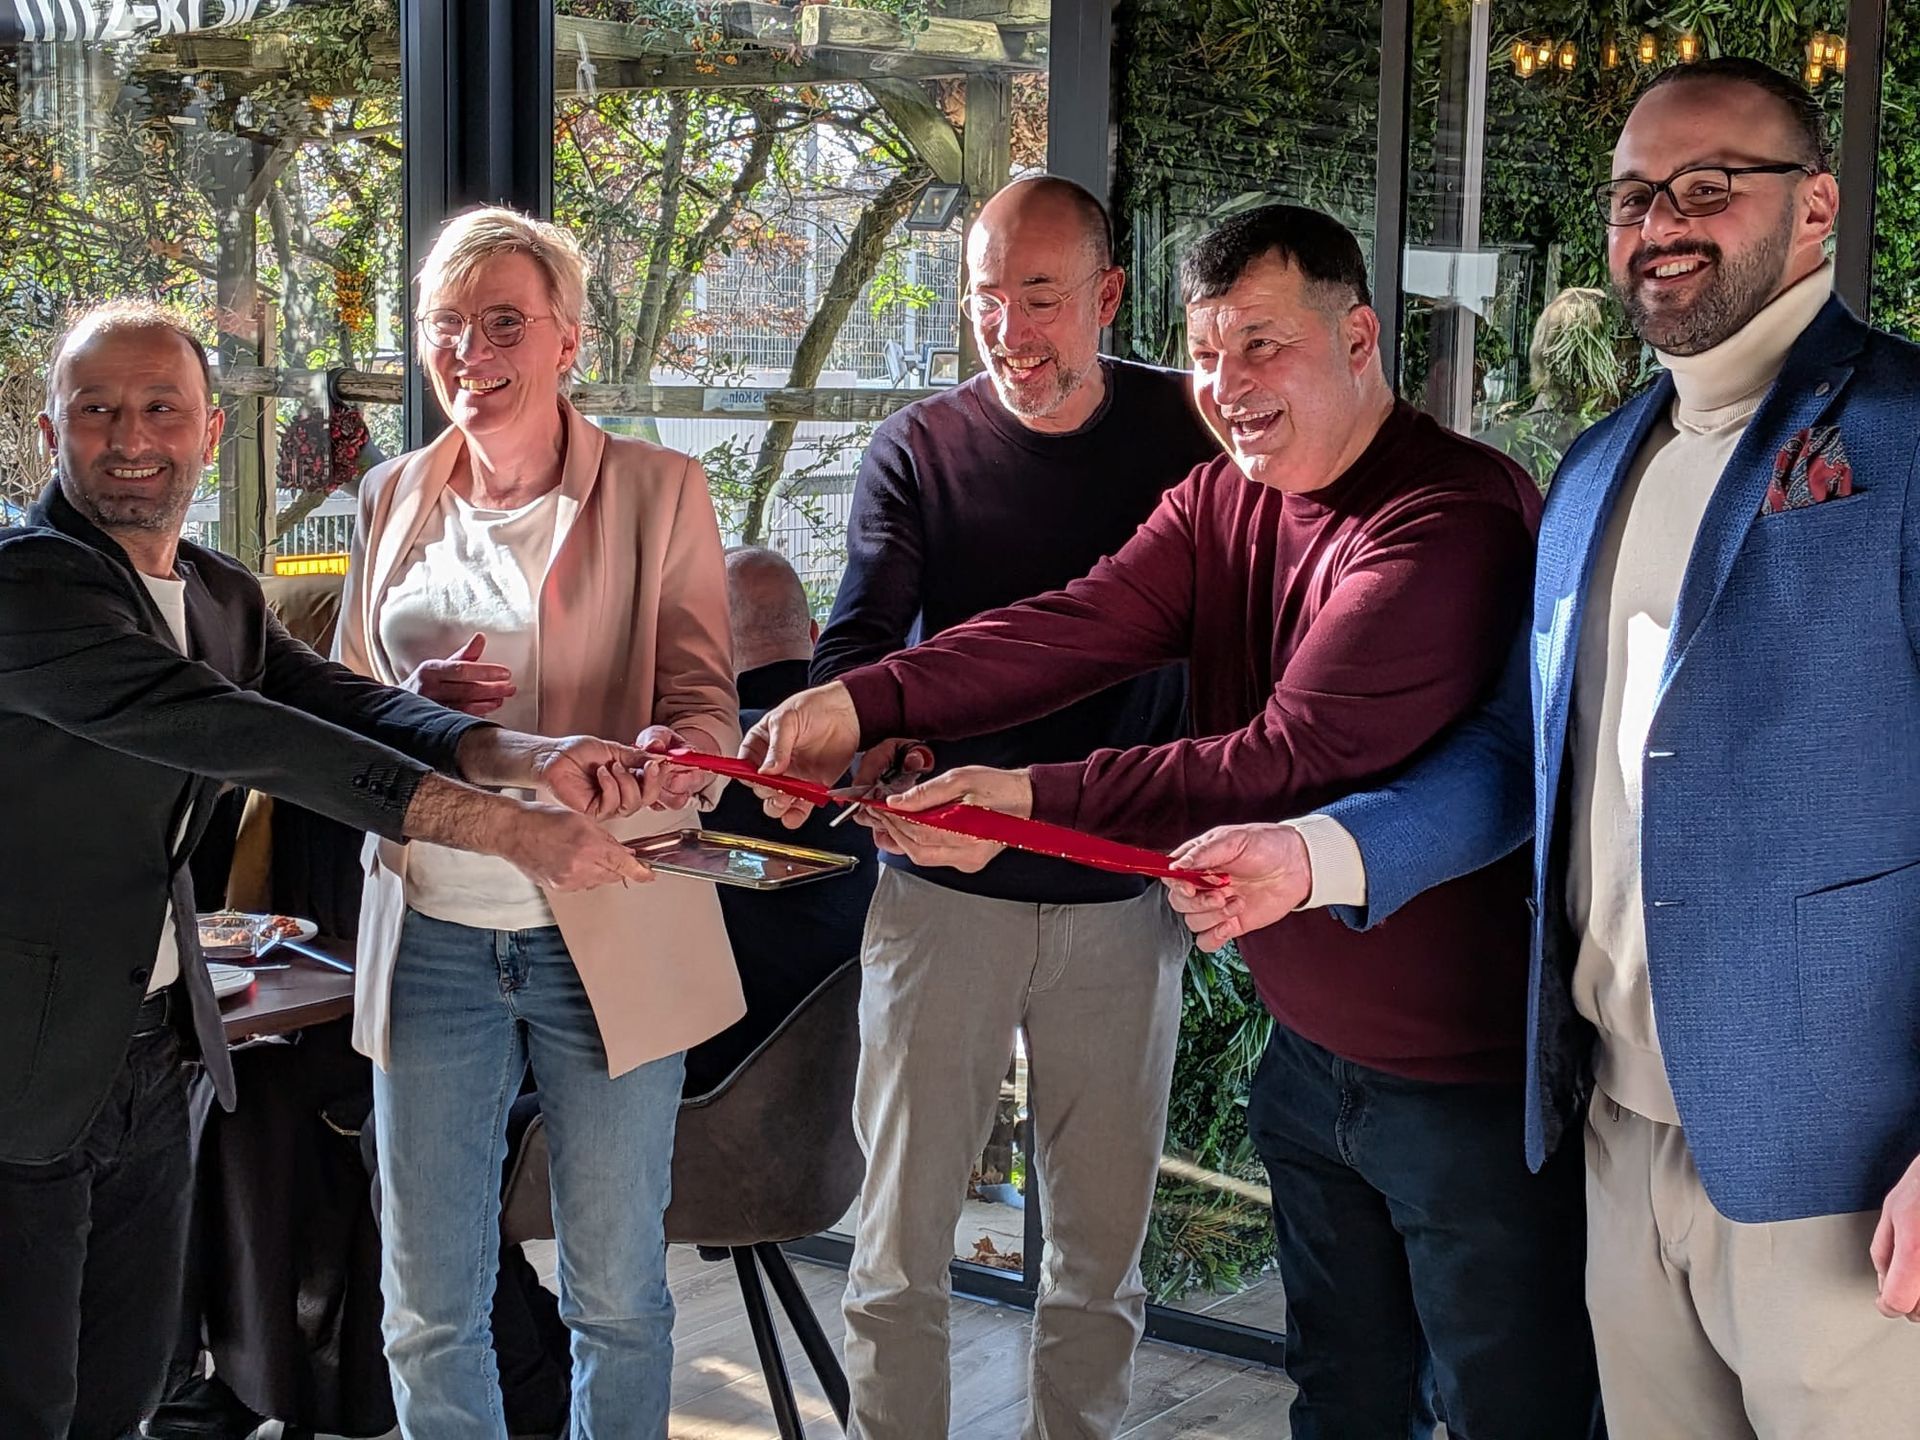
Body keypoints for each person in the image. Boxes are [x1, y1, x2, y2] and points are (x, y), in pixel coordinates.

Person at [744, 204, 1603, 1437]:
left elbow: (1290, 756)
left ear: (1359, 339)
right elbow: (1073, 627)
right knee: (1343, 1399)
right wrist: (858, 701)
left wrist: (1027, 800)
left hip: (1461, 1080)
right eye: (1206, 352)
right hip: (1308, 1053)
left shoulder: (1447, 514)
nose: (1228, 385)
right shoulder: (1221, 498)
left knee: (1504, 1412)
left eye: (1262, 344)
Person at [1169, 58, 1920, 1435]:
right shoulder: (1592, 469)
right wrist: (1314, 855)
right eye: (1634, 196)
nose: (1662, 223)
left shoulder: (1907, 437)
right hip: (1609, 1127)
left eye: (1709, 186)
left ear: (1815, 206)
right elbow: (1521, 762)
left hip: (1845, 1164)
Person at [0, 300, 654, 1440]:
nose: (131, 436)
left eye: (161, 407)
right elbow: (244, 735)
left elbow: (344, 704)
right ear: (52, 433)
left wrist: (530, 756)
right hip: (22, 1059)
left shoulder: (217, 594)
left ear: (210, 429)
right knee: (25, 1394)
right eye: (96, 410)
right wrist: (503, 831)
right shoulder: (28, 584)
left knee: (126, 1386)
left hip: (152, 1044)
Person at [796, 174, 1217, 1439]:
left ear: (1107, 295)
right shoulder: (918, 448)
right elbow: (860, 642)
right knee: (897, 1250)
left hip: (1120, 890)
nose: (1009, 329)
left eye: (1039, 297)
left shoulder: (1193, 431)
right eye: (986, 297)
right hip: (942, 893)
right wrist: (873, 747)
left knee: (1098, 1258)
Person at [333, 204, 744, 1439]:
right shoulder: (391, 493)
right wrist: (412, 701)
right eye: (446, 325)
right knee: (426, 1304)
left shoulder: (659, 489)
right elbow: (343, 700)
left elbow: (707, 713)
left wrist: (670, 762)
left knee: (616, 1297)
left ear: (569, 340)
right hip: (431, 931)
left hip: (608, 919)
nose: (472, 352)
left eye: (505, 323)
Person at [686, 545, 876, 1096]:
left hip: (705, 1090)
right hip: (852, 1084)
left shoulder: (694, 771)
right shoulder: (879, 759)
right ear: (815, 635)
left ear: (711, 651)